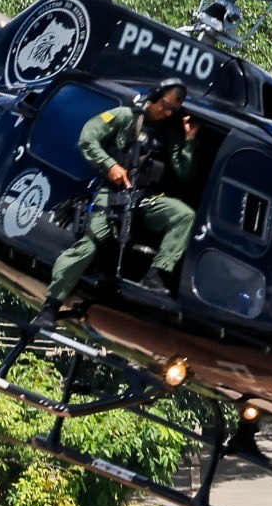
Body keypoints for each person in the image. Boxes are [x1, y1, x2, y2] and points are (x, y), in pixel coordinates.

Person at [32, 79, 200, 328]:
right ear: (155, 96)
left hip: (145, 197)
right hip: (112, 194)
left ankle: (156, 274)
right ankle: (51, 305)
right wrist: (110, 166)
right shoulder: (125, 117)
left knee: (183, 214)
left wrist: (189, 140)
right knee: (90, 242)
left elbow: (185, 173)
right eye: (165, 106)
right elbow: (88, 137)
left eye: (173, 110)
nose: (167, 113)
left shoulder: (170, 134)